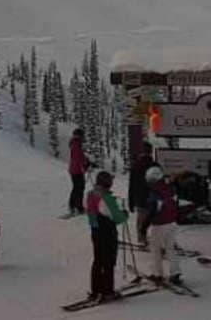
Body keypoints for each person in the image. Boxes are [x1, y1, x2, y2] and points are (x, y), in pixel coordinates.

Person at [85, 170, 127, 302]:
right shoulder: (106, 198)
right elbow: (117, 217)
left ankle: (96, 289)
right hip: (107, 232)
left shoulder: (91, 194)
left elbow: (91, 211)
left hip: (95, 230)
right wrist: (124, 214)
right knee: (108, 261)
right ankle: (107, 291)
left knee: (98, 260)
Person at [144, 166, 181, 285]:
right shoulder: (170, 188)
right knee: (170, 248)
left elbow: (153, 210)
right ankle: (175, 272)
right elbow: (176, 203)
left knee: (155, 249)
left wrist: (145, 224)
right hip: (171, 222)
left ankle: (157, 273)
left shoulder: (155, 192)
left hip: (159, 224)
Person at [128, 141, 155, 247]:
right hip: (153, 197)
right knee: (156, 221)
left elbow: (131, 185)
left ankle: (141, 239)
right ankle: (158, 240)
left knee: (141, 220)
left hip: (140, 197)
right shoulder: (154, 165)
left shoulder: (136, 166)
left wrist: (131, 201)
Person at [68, 129, 89, 216]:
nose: (83, 138)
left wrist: (87, 162)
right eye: (82, 136)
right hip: (77, 170)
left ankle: (73, 206)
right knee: (79, 188)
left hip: (75, 170)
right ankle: (78, 207)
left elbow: (81, 156)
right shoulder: (76, 144)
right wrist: (85, 164)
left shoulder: (76, 144)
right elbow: (78, 158)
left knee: (77, 188)